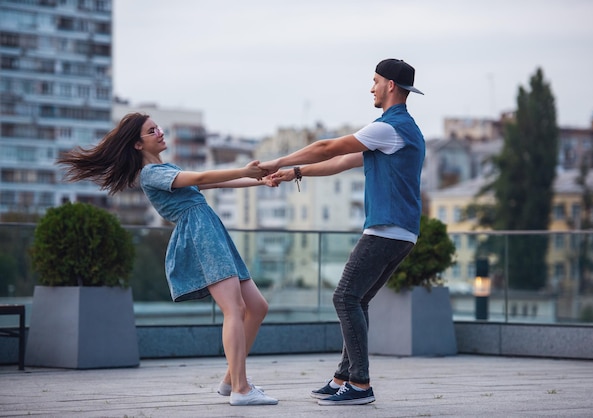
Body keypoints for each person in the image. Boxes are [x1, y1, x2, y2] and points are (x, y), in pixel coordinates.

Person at [57, 113, 278, 406]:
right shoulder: (151, 174)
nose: (160, 132)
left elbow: (210, 185)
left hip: (211, 231)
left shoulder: (166, 168)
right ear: (138, 144)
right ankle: (241, 388)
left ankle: (230, 381)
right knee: (234, 308)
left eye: (157, 127)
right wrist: (245, 170)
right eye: (152, 130)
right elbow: (201, 177)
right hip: (200, 236)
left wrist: (258, 181)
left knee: (257, 307)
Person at [261, 58, 426, 406]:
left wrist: (277, 161)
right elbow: (340, 162)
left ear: (390, 86)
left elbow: (328, 147)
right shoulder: (403, 131)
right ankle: (343, 377)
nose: (372, 88)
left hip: (386, 227)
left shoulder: (388, 128)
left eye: (375, 81)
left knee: (344, 297)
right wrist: (296, 173)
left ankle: (361, 385)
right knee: (358, 299)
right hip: (403, 231)